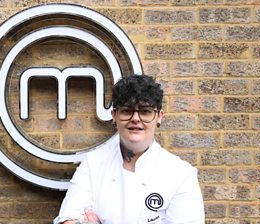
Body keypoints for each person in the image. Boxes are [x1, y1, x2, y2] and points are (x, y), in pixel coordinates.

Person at [54, 75, 205, 224]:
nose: (135, 118)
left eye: (145, 111)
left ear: (159, 116)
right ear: (114, 116)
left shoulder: (181, 174)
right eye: (127, 111)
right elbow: (67, 219)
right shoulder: (93, 164)